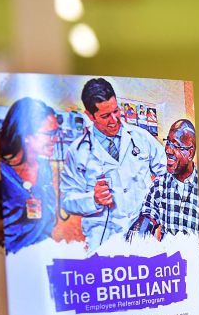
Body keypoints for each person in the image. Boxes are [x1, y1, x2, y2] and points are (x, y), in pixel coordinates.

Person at [60, 78, 166, 250]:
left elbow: (167, 173)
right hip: (104, 241)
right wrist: (93, 199)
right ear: (89, 116)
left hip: (143, 236)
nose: (114, 120)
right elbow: (67, 201)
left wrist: (154, 213)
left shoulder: (141, 137)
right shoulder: (77, 151)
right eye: (105, 116)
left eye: (116, 111)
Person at [0, 97, 60, 254]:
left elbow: (50, 218)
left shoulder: (44, 168)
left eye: (56, 132)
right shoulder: (0, 175)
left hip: (37, 255)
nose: (56, 139)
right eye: (49, 133)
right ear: (26, 134)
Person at [132, 119, 199, 239]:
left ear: (190, 153)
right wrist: (136, 240)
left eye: (175, 145)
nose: (168, 150)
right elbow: (147, 216)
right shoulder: (159, 185)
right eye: (168, 142)